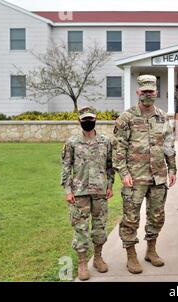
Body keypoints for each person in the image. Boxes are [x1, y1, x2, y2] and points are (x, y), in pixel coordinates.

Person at [112, 75, 176, 274]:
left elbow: (168, 145)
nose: (148, 95)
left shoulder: (162, 117)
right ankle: (131, 256)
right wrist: (123, 172)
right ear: (138, 92)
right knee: (131, 218)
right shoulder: (127, 118)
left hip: (158, 176)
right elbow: (119, 147)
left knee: (156, 216)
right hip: (135, 177)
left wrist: (172, 169)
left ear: (156, 92)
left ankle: (151, 250)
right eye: (144, 91)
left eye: (151, 91)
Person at [61, 106, 114, 281]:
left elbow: (109, 166)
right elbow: (66, 167)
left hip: (100, 191)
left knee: (99, 227)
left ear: (96, 119)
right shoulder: (72, 142)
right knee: (81, 228)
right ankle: (83, 263)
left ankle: (98, 258)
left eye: (90, 119)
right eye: (84, 119)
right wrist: (68, 190)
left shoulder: (105, 141)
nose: (88, 122)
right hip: (79, 192)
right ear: (79, 121)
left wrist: (110, 185)